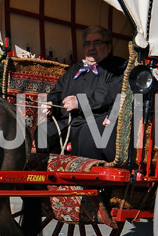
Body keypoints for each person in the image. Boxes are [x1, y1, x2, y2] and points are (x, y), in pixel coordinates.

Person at [43, 25, 127, 160]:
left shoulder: (117, 66)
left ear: (109, 47)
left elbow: (110, 92)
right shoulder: (74, 69)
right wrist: (51, 103)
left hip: (94, 120)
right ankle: (47, 176)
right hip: (67, 122)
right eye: (87, 44)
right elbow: (57, 91)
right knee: (43, 132)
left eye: (97, 43)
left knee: (87, 134)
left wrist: (80, 102)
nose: (91, 48)